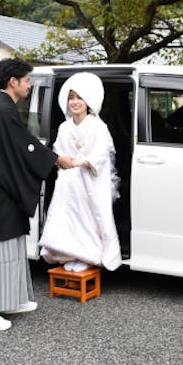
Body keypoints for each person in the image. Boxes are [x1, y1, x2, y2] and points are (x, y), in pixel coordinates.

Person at [0, 58, 73, 331]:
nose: (30, 86)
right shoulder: (2, 110)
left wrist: (50, 158)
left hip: (0, 189)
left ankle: (9, 298)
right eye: (28, 81)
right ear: (13, 81)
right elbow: (24, 147)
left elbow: (21, 146)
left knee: (9, 246)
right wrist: (55, 160)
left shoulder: (3, 107)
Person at [39, 72, 122, 273]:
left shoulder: (98, 126)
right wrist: (63, 160)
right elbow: (59, 150)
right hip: (69, 181)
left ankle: (91, 255)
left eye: (79, 98)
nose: (74, 102)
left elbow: (103, 152)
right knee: (70, 218)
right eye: (71, 98)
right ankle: (71, 253)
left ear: (88, 101)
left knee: (91, 217)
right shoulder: (64, 127)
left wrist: (85, 161)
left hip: (90, 180)